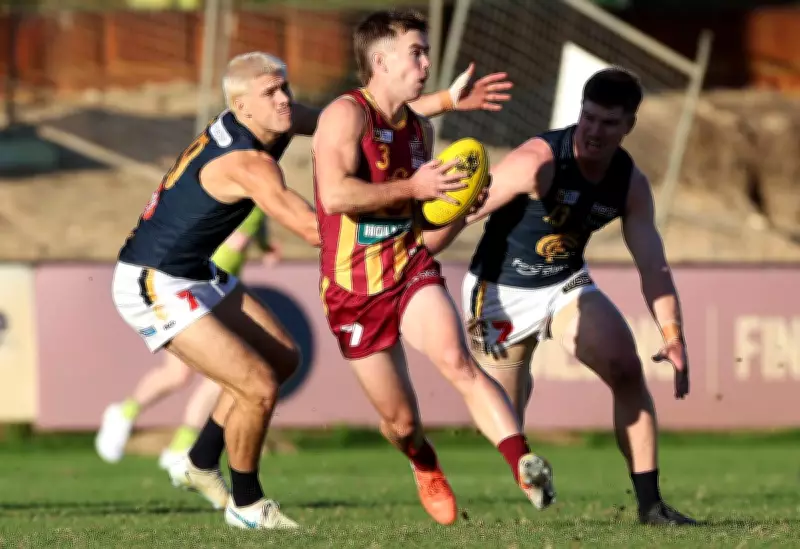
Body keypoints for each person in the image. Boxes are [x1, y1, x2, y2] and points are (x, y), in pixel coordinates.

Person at [110, 48, 517, 524]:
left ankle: (199, 462)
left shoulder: (268, 119)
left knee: (282, 360)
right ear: (242, 108)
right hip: (153, 278)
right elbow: (316, 230)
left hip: (193, 267)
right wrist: (410, 202)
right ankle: (247, 503)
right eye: (271, 92)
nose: (284, 99)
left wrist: (444, 100)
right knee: (257, 387)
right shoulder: (248, 163)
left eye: (285, 86)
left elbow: (351, 123)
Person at [311, 9, 555, 527]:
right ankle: (422, 461)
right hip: (353, 290)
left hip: (408, 266)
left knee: (456, 360)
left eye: (425, 51)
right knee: (400, 423)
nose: (426, 61)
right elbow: (334, 196)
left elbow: (426, 235)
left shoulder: (418, 128)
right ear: (380, 60)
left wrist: (463, 210)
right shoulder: (344, 115)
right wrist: (412, 188)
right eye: (416, 52)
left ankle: (522, 461)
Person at [428, 67, 697, 525]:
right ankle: (523, 432)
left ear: (629, 125)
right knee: (505, 413)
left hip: (565, 283)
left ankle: (652, 507)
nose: (594, 131)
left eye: (609, 123)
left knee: (626, 368)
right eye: (588, 117)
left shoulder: (630, 184)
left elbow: (653, 264)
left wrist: (672, 334)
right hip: (499, 291)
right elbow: (463, 212)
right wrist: (417, 252)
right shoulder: (537, 161)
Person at [95, 207, 281, 470]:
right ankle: (127, 416)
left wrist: (265, 245)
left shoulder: (257, 199)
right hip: (190, 289)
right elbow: (228, 245)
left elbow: (254, 227)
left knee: (221, 376)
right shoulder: (236, 187)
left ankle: (180, 445)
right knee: (185, 374)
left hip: (209, 292)